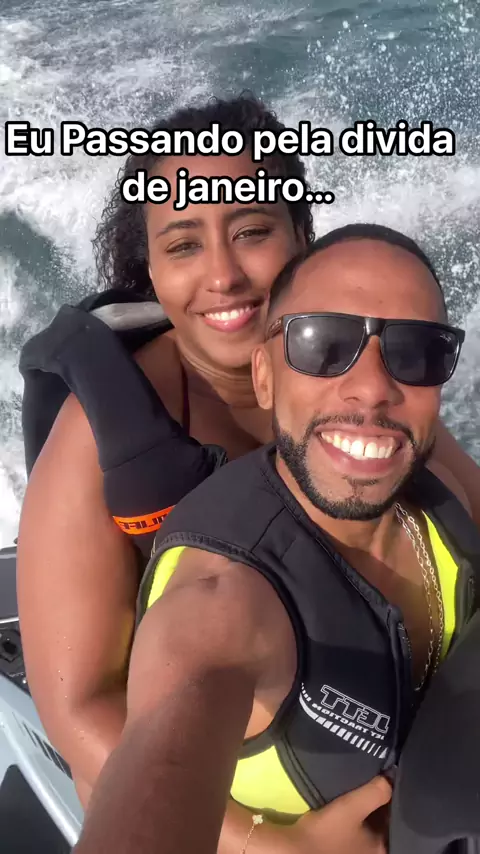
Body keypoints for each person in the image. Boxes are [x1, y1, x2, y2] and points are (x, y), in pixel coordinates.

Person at [16, 91, 480, 843]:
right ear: (151, 268)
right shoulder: (97, 437)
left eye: (252, 231)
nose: (224, 275)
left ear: (302, 236)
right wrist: (267, 844)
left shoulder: (365, 384)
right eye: (183, 246)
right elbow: (79, 709)